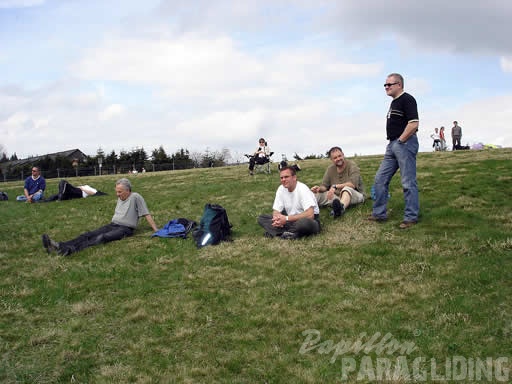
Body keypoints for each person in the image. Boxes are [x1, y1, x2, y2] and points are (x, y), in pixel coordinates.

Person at [42, 178, 158, 256]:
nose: (117, 194)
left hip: (125, 229)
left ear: (128, 190)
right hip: (113, 225)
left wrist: (156, 230)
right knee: (88, 234)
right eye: (117, 192)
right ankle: (58, 246)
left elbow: (146, 213)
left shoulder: (136, 197)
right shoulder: (120, 197)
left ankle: (69, 250)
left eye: (120, 192)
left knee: (102, 237)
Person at [368, 73, 419, 229]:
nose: (387, 87)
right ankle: (379, 214)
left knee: (407, 182)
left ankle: (411, 217)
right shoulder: (394, 103)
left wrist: (401, 140)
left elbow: (414, 123)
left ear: (399, 85)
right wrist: (394, 143)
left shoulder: (407, 99)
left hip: (404, 143)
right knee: (380, 179)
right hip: (392, 145)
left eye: (389, 84)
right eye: (385, 85)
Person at [258, 166, 320, 239]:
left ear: (294, 177)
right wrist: (277, 219)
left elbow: (310, 215)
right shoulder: (281, 189)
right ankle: (290, 234)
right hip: (290, 221)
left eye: (286, 177)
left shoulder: (303, 189)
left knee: (303, 223)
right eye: (281, 178)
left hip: (308, 221)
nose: (283, 180)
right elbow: (276, 210)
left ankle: (278, 233)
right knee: (262, 218)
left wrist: (286, 219)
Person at [310, 146, 365, 218]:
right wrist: (319, 189)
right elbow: (324, 186)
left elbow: (352, 185)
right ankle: (305, 209)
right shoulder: (330, 169)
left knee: (346, 189)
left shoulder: (352, 165)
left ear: (343, 155)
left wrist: (335, 186)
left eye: (339, 156)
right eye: (335, 158)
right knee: (316, 194)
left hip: (355, 195)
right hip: (337, 197)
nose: (338, 159)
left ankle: (340, 209)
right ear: (331, 160)